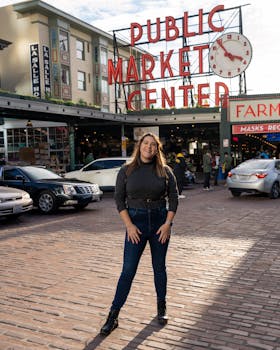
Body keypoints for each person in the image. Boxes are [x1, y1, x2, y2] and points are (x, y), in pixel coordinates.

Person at [100, 132, 179, 336]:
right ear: (140, 146)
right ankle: (113, 315)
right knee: (127, 271)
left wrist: (168, 223)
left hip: (160, 223)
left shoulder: (165, 171)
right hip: (135, 223)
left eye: (153, 145)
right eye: (146, 143)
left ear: (157, 148)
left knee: (159, 268)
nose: (149, 147)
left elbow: (174, 198)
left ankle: (161, 307)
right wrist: (129, 226)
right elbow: (119, 200)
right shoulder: (126, 170)